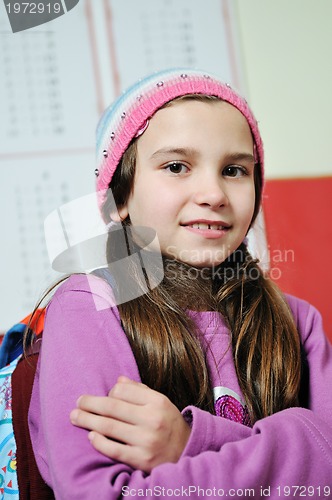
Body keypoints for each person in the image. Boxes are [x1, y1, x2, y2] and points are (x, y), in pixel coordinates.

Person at [28, 69, 332, 499]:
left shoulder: (299, 320)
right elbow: (103, 493)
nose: (213, 193)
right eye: (176, 166)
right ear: (118, 200)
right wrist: (301, 439)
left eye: (234, 170)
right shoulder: (91, 306)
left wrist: (188, 444)